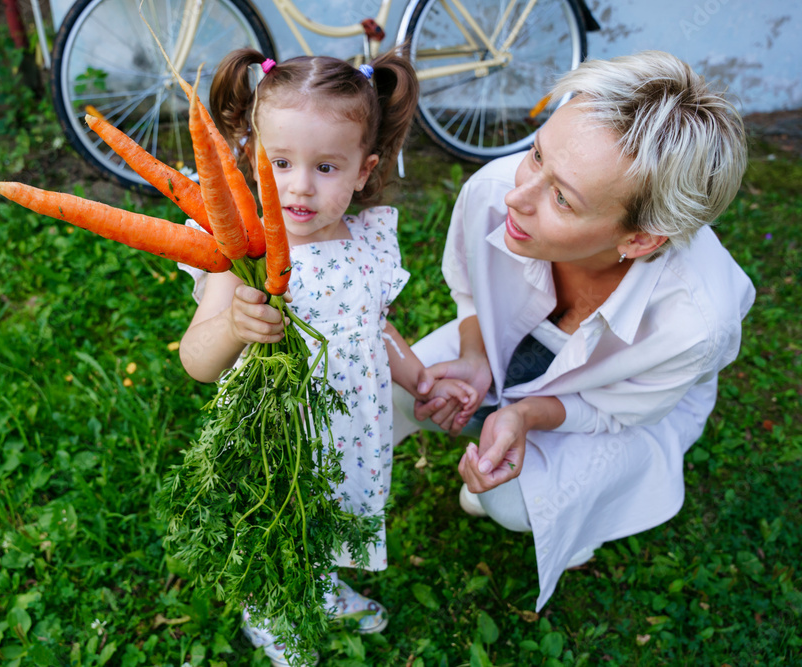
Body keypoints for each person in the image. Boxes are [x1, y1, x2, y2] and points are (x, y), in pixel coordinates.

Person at [394, 50, 756, 611]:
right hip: (506, 342)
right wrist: (473, 355)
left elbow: (616, 410)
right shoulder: (496, 192)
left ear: (640, 240)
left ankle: (587, 520)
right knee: (397, 389)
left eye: (561, 197)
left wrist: (524, 414)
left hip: (624, 409)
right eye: (537, 153)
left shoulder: (695, 325)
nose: (518, 195)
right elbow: (468, 284)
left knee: (517, 505)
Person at [177, 49, 474, 664]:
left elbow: (374, 327)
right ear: (248, 159)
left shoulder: (367, 242)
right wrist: (233, 324)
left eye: (327, 166)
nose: (300, 185)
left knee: (328, 519)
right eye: (279, 162)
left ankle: (320, 586)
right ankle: (273, 612)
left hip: (348, 432)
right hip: (273, 437)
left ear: (364, 171)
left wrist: (416, 375)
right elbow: (197, 361)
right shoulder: (241, 256)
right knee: (277, 524)